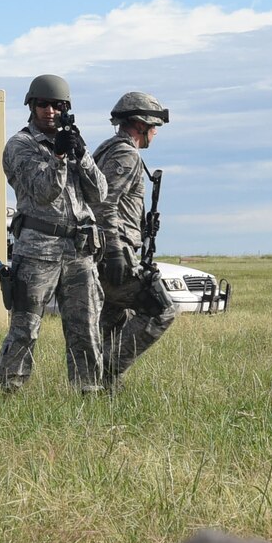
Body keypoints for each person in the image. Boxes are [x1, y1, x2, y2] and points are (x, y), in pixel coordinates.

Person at [0, 74, 109, 393]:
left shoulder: (72, 142)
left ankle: (87, 392)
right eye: (42, 104)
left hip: (79, 252)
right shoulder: (19, 145)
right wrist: (58, 158)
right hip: (36, 253)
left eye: (57, 106)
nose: (49, 111)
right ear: (31, 106)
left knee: (84, 328)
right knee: (25, 328)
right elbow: (43, 192)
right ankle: (12, 391)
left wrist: (82, 155)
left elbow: (100, 193)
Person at [91, 91, 175, 391]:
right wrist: (115, 251)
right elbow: (105, 203)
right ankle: (107, 372)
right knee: (162, 309)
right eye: (153, 126)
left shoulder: (106, 150)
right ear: (139, 124)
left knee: (112, 323)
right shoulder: (125, 154)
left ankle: (104, 390)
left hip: (106, 253)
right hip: (115, 255)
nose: (155, 133)